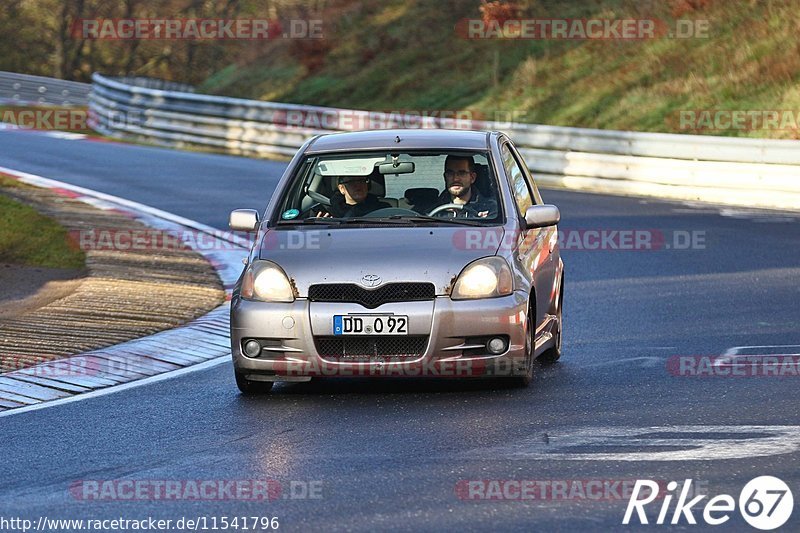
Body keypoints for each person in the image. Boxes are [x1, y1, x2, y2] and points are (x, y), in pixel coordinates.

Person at [317, 175, 391, 218]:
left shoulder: (384, 210)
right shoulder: (329, 214)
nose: (358, 185)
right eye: (351, 182)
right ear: (341, 188)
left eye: (361, 180)